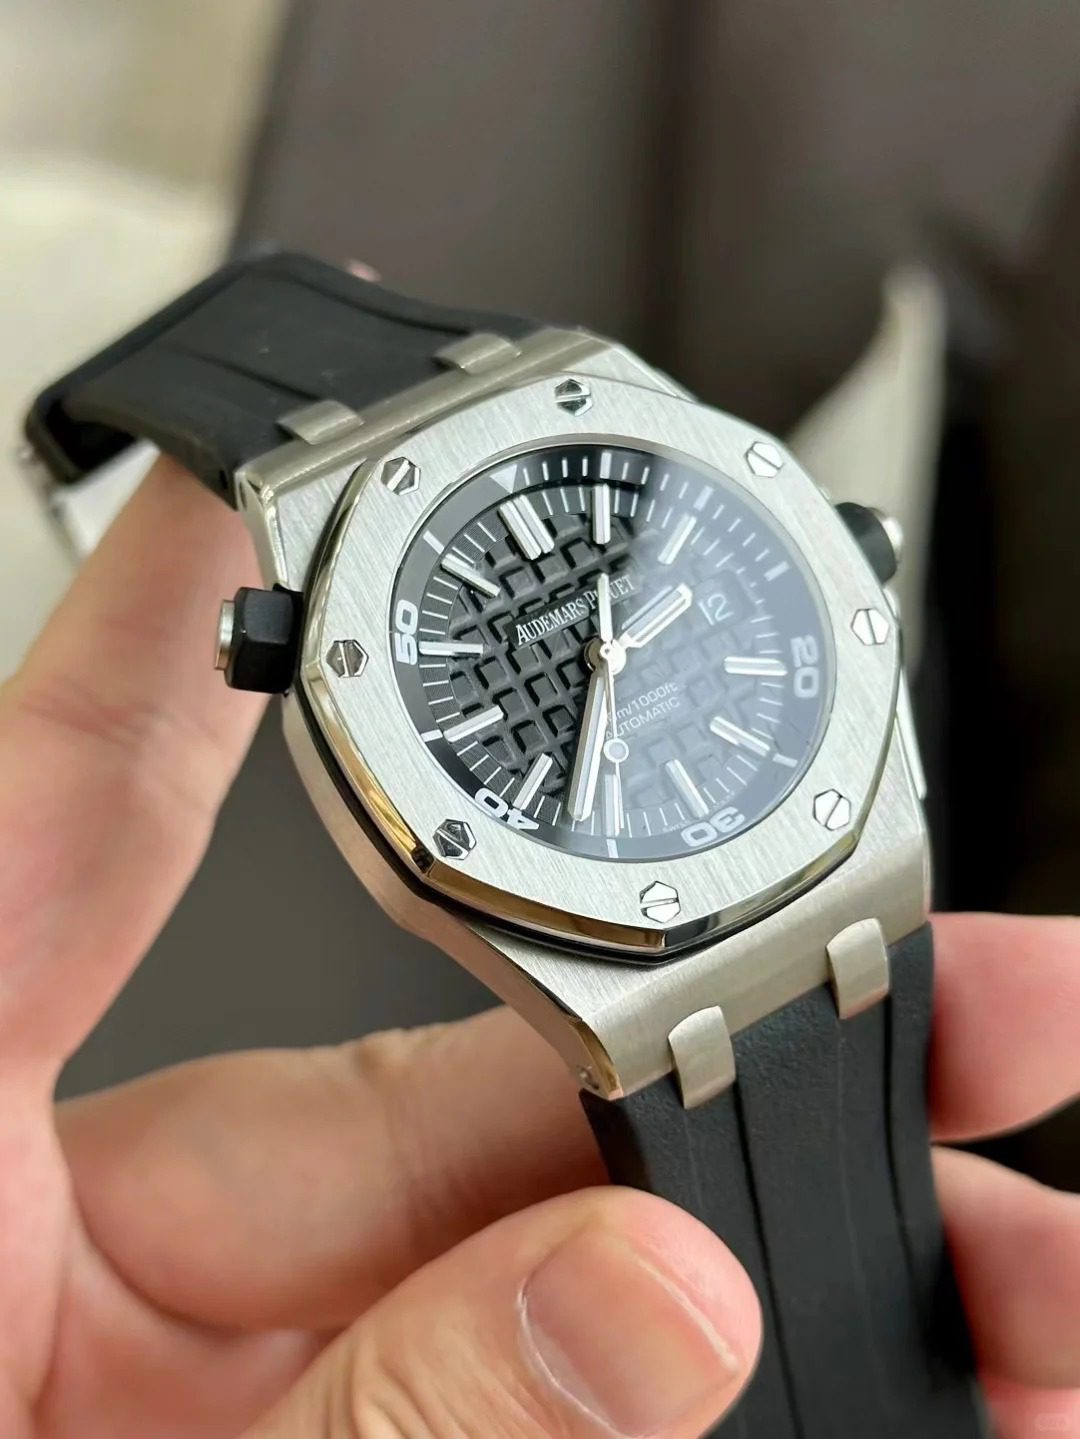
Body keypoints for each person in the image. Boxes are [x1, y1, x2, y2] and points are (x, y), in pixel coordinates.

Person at [0, 456, 1077, 1438]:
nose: (605, 651)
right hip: (650, 976)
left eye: (611, 642)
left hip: (815, 880)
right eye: (602, 648)